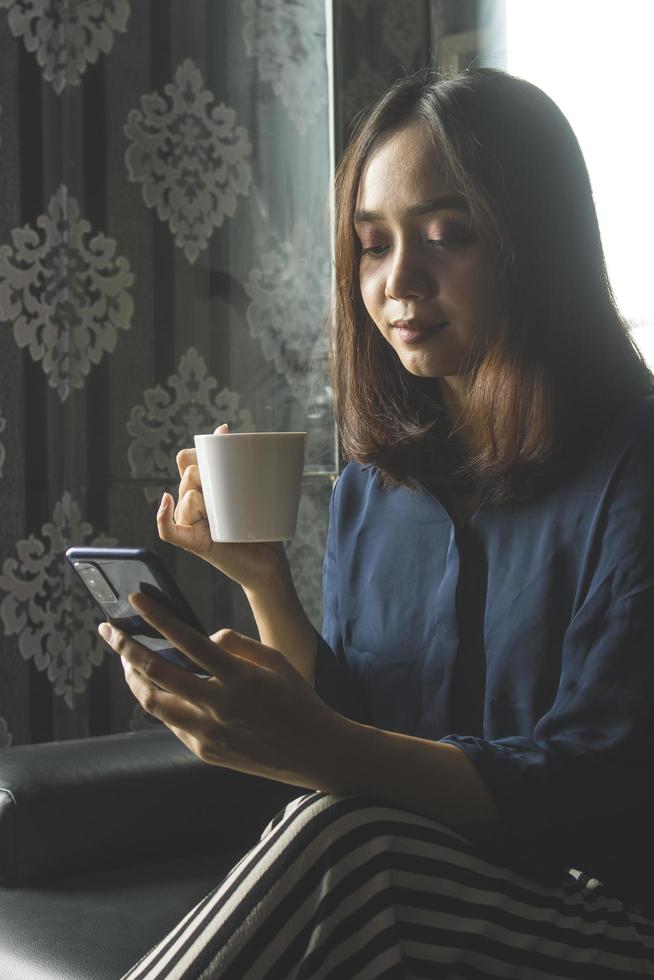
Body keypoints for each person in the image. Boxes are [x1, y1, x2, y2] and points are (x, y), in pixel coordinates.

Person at [101, 67, 654, 978]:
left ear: (535, 246)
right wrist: (261, 578)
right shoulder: (379, 483)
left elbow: (598, 783)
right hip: (438, 890)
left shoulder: (635, 461)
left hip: (608, 911)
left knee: (358, 847)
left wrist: (325, 749)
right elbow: (357, 724)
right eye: (371, 246)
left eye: (447, 237)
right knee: (352, 835)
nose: (401, 281)